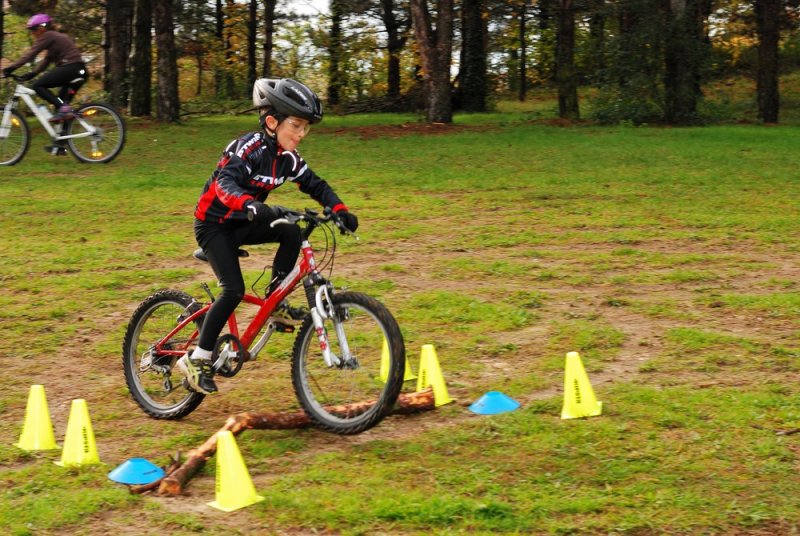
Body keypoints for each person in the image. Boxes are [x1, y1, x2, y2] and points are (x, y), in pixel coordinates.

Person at [177, 78, 359, 395]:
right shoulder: (247, 149)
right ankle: (198, 358)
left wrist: (340, 210)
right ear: (272, 122)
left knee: (291, 229)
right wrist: (248, 204)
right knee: (233, 290)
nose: (301, 134)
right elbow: (225, 184)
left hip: (245, 219)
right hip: (215, 224)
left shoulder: (288, 158)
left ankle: (275, 299)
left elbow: (316, 184)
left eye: (306, 128)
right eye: (296, 126)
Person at [1, 13, 87, 155]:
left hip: (70, 68)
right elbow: (47, 61)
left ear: (42, 28)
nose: (33, 33)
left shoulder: (48, 35)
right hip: (79, 71)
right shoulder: (55, 39)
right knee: (61, 104)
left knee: (38, 86)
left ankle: (63, 110)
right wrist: (32, 74)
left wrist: (11, 67)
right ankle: (60, 146)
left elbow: (30, 54)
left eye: (33, 30)